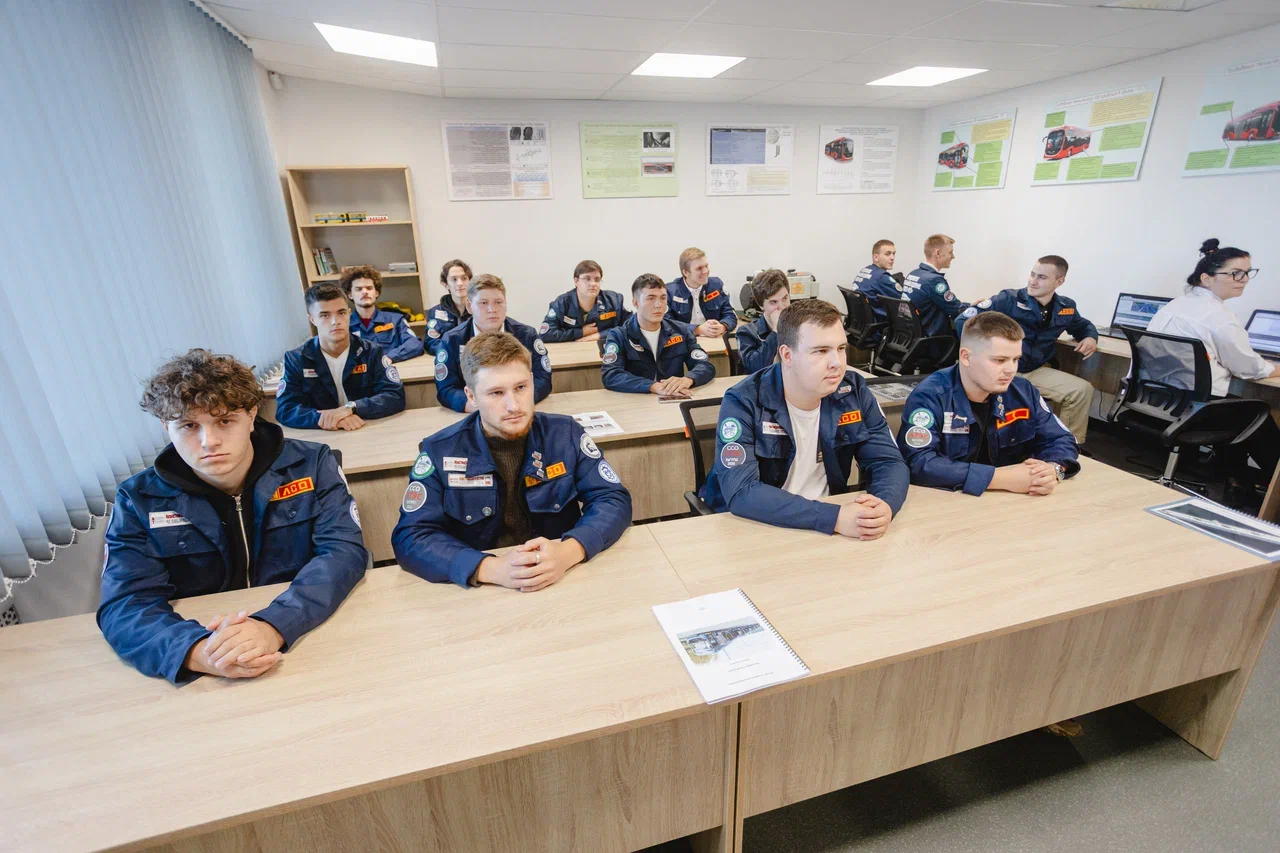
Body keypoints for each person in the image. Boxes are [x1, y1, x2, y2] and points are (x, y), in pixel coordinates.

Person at [98, 349, 367, 683]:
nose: (209, 441)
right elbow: (126, 602)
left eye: (224, 421)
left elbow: (342, 553)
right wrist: (196, 651)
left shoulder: (312, 464)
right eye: (189, 426)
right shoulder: (138, 499)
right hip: (208, 656)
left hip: (303, 638)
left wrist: (274, 624)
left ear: (252, 415)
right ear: (166, 427)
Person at [392, 332, 631, 591]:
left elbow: (612, 499)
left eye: (521, 388)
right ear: (471, 396)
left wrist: (569, 551)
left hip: (564, 579)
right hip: (484, 590)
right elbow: (411, 536)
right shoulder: (440, 451)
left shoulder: (565, 434)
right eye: (496, 393)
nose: (514, 406)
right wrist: (489, 568)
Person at [702, 299, 908, 538]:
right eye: (821, 351)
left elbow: (888, 462)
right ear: (787, 355)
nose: (837, 363)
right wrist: (834, 518)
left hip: (825, 527)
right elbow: (742, 492)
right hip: (758, 526)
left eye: (841, 348)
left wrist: (883, 505)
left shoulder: (854, 391)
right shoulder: (744, 400)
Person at [1147, 238, 1280, 495]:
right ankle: (1263, 488)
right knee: (1257, 412)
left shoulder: (1176, 305)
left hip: (1157, 397)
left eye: (1247, 272)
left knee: (1238, 408)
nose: (1243, 279)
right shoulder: (1219, 316)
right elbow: (1249, 368)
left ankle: (1237, 482)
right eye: (1235, 273)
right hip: (1190, 407)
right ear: (1206, 279)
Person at [898, 311, 1080, 496]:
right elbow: (918, 462)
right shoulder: (930, 395)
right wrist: (999, 478)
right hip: (954, 501)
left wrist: (1053, 469)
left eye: (1015, 359)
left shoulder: (1023, 391)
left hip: (1015, 500)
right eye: (999, 360)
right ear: (966, 357)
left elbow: (1062, 439)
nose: (1010, 370)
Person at [955, 255, 1098, 444]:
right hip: (1002, 369)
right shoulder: (1008, 299)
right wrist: (983, 356)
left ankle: (1068, 445)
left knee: (1081, 390)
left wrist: (1090, 336)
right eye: (1032, 274)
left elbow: (1082, 325)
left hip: (1034, 371)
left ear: (1059, 281)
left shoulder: (1066, 307)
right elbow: (963, 322)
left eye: (1042, 277)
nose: (1033, 281)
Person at [276, 282, 406, 430]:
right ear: (312, 319)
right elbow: (285, 409)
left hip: (365, 429)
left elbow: (395, 396)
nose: (335, 322)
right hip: (321, 436)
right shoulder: (296, 359)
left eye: (341, 313)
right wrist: (327, 418)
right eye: (325, 315)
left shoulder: (371, 352)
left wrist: (352, 408)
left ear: (349, 314)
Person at [435, 273, 552, 412]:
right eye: (483, 303)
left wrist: (515, 403)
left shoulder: (526, 335)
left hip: (518, 409)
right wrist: (483, 408)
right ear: (469, 306)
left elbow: (542, 379)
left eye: (498, 302)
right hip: (476, 412)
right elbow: (446, 389)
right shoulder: (452, 340)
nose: (492, 309)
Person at [601, 273, 716, 396]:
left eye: (663, 298)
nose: (658, 305)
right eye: (650, 298)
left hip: (674, 399)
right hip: (637, 399)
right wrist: (653, 386)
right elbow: (611, 375)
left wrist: (688, 379)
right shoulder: (619, 335)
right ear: (635, 303)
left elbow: (705, 365)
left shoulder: (681, 331)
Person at [341, 264, 425, 363]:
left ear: (376, 292)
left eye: (369, 288)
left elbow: (415, 344)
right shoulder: (344, 325)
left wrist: (390, 357)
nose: (365, 292)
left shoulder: (396, 320)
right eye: (359, 289)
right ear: (350, 295)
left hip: (390, 370)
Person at [901, 233, 969, 345]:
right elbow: (955, 310)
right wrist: (973, 307)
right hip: (932, 341)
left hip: (911, 337)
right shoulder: (934, 280)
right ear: (937, 253)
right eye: (950, 252)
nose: (953, 256)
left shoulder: (913, 274)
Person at [540, 260, 631, 343]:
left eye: (597, 279)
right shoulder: (562, 303)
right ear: (576, 281)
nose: (593, 284)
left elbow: (631, 327)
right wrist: (581, 332)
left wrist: (600, 335)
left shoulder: (614, 300)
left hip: (605, 350)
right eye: (587, 279)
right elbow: (546, 334)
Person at [667, 247, 738, 336]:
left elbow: (731, 314)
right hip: (684, 340)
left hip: (714, 340)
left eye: (706, 266)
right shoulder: (670, 292)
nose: (705, 271)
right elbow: (667, 323)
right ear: (686, 273)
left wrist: (722, 326)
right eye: (699, 268)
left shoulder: (717, 285)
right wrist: (697, 330)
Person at [736, 268, 790, 373]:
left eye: (785, 298)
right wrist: (776, 332)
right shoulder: (746, 333)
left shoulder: (799, 327)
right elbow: (757, 368)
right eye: (773, 302)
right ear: (761, 306)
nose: (782, 307)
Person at [425, 259, 473, 355]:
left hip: (476, 359)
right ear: (446, 284)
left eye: (464, 278)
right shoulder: (435, 312)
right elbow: (431, 343)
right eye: (454, 279)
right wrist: (452, 352)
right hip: (448, 357)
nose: (460, 283)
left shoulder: (480, 309)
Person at [852, 239, 902, 329]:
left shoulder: (865, 270)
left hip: (862, 325)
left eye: (893, 254)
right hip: (879, 326)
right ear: (876, 257)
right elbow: (903, 299)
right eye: (887, 254)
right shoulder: (882, 277)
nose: (892, 258)